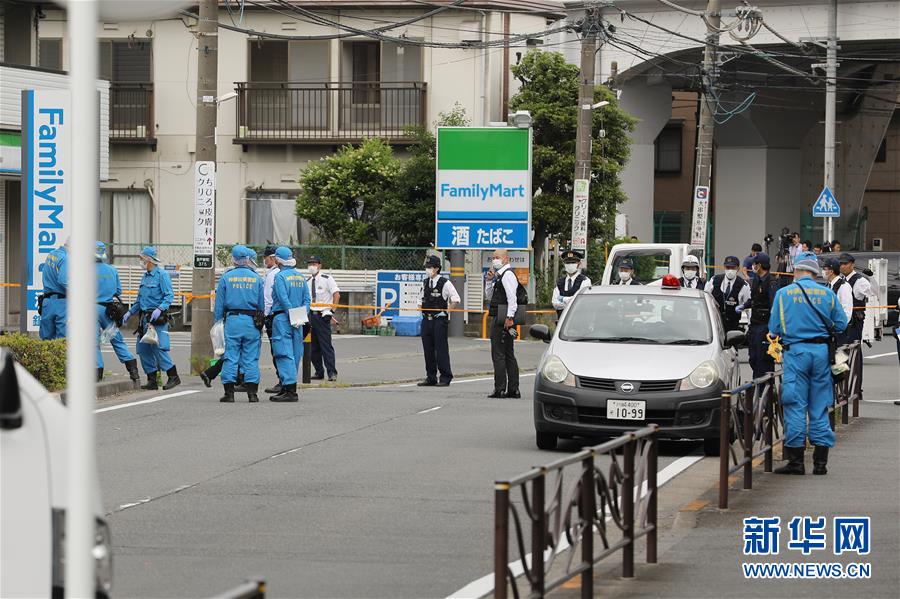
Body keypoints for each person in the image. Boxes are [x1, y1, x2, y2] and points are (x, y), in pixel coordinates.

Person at [768, 258, 847, 475]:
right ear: (814, 273)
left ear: (798, 271)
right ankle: (820, 464)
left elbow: (774, 328)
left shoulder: (784, 294)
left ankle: (796, 462)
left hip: (796, 353)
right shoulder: (828, 293)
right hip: (822, 353)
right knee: (820, 405)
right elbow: (841, 324)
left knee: (795, 404)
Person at [121, 246, 180, 390]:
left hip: (157, 319)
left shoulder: (162, 275)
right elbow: (139, 300)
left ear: (149, 260)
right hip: (145, 319)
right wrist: (130, 312)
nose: (140, 261)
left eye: (142, 259)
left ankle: (173, 376)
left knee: (158, 348)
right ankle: (152, 380)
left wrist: (160, 309)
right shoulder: (145, 276)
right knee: (143, 349)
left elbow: (169, 295)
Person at [214, 245, 265, 403]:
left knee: (231, 357)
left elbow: (219, 305)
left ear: (233, 259)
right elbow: (261, 305)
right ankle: (252, 394)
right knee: (251, 358)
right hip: (251, 322)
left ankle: (229, 394)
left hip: (233, 321)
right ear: (248, 259)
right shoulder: (256, 278)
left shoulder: (226, 277)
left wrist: (217, 323)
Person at [94, 241, 140, 384]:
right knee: (116, 339)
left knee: (93, 343)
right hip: (109, 311)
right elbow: (118, 291)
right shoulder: (112, 270)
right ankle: (133, 370)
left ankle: (97, 372)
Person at [270, 247, 311, 402]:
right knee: (295, 352)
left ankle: (289, 389)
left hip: (283, 318)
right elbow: (307, 299)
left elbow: (283, 298)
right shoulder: (300, 276)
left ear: (278, 260)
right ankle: (288, 388)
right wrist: (300, 316)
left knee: (283, 352)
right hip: (299, 320)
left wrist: (291, 314)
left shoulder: (280, 277)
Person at [485, 249, 524, 398]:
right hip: (504, 317)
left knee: (499, 354)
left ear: (506, 259)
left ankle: (500, 388)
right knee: (508, 354)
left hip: (503, 319)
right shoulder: (499, 276)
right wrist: (489, 281)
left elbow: (512, 298)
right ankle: (513, 389)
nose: (494, 260)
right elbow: (489, 296)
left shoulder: (507, 275)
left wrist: (509, 317)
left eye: (498, 257)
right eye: (493, 257)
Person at [417, 255, 460, 387]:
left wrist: (446, 311)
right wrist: (421, 311)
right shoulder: (425, 283)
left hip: (439, 320)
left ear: (436, 268)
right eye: (427, 267)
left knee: (441, 349)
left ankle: (445, 377)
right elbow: (419, 300)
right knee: (428, 349)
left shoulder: (445, 283)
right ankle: (431, 377)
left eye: (429, 267)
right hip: (426, 321)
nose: (427, 270)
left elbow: (456, 299)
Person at [838, 252, 876, 400]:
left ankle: (855, 389)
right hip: (842, 324)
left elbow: (874, 292)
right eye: (841, 264)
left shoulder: (859, 280)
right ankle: (841, 388)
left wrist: (871, 277)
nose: (843, 266)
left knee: (853, 355)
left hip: (854, 324)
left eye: (845, 263)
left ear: (852, 264)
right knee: (840, 355)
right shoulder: (840, 280)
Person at [737, 253, 779, 379]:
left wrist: (773, 328)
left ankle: (764, 392)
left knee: (763, 361)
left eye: (754, 264)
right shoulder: (756, 280)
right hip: (754, 324)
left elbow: (774, 307)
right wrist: (744, 306)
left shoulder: (771, 282)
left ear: (759, 265)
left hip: (765, 325)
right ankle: (758, 390)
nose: (753, 266)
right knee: (753, 358)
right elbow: (754, 300)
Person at [306, 255, 340, 381]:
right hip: (310, 316)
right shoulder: (307, 281)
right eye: (309, 264)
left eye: (314, 263)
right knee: (312, 348)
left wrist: (332, 311)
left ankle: (332, 372)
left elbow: (336, 295)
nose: (311, 266)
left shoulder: (327, 279)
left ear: (319, 265)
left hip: (322, 316)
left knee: (326, 346)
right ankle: (319, 371)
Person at [704, 256, 750, 332]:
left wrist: (749, 326)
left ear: (738, 268)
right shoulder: (714, 280)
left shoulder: (743, 285)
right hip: (715, 324)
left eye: (733, 267)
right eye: (728, 267)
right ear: (724, 267)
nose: (730, 270)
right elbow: (706, 299)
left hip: (733, 325)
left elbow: (748, 307)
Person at [261, 245, 282, 394]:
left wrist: (265, 317)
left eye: (266, 258)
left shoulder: (273, 275)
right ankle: (285, 380)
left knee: (276, 351)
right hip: (285, 316)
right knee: (284, 350)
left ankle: (282, 381)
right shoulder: (284, 273)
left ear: (273, 258)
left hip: (273, 316)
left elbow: (268, 299)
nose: (264, 260)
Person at [39, 242, 68, 340]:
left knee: (46, 339)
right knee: (63, 340)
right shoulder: (66, 258)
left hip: (47, 302)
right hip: (61, 303)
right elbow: (64, 280)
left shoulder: (51, 254)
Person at [552, 250, 590, 319]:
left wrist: (562, 298)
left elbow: (582, 303)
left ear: (579, 263)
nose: (570, 264)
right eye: (567, 262)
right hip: (562, 322)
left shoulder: (585, 281)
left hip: (579, 320)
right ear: (564, 264)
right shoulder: (559, 282)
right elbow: (555, 303)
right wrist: (573, 300)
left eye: (573, 262)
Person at [822, 258, 853, 327]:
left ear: (831, 271)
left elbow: (847, 310)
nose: (823, 271)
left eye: (824, 269)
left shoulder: (843, 286)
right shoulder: (828, 285)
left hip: (840, 329)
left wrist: (839, 326)